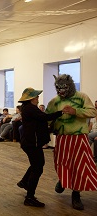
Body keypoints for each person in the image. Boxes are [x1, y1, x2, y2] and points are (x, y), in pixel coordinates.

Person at [46, 74, 97, 210]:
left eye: (64, 88)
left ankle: (76, 194)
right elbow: (47, 117)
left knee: (79, 166)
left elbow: (92, 111)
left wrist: (76, 111)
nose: (61, 91)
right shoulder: (54, 101)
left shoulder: (82, 97)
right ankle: (63, 180)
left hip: (79, 137)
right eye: (58, 88)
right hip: (62, 137)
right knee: (61, 162)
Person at [17, 87, 63, 207]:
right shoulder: (30, 109)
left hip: (30, 142)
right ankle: (29, 197)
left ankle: (24, 182)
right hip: (32, 143)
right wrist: (61, 112)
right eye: (36, 96)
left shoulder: (28, 108)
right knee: (37, 168)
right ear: (31, 98)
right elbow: (45, 117)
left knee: (37, 165)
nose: (38, 98)